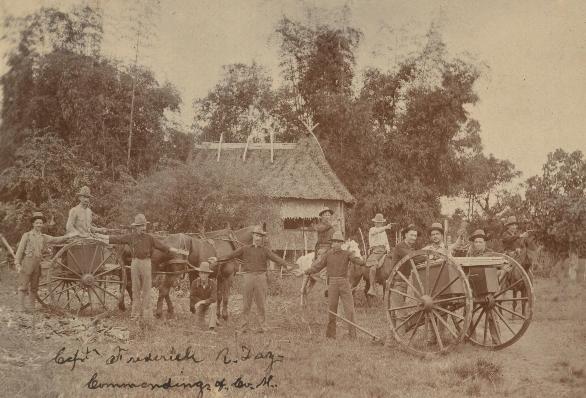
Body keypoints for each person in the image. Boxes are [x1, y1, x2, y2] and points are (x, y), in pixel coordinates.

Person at [108, 214, 182, 324]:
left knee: (147, 290)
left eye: (143, 226)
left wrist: (175, 250)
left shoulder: (149, 238)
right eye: (140, 226)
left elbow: (161, 246)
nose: (142, 228)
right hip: (135, 263)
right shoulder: (131, 237)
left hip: (147, 263)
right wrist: (102, 237)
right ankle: (135, 315)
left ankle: (147, 316)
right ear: (136, 227)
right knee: (135, 289)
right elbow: (117, 239)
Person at [218, 225, 291, 333]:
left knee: (261, 303)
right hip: (248, 277)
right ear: (253, 236)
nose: (258, 238)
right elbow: (230, 255)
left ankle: (263, 327)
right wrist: (216, 259)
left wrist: (286, 264)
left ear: (262, 238)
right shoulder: (244, 249)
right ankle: (243, 327)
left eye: (260, 236)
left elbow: (276, 258)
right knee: (246, 304)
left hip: (261, 277)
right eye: (256, 235)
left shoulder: (265, 250)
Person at [305, 231, 365, 339]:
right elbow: (318, 266)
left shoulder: (347, 253)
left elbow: (358, 260)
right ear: (332, 243)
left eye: (338, 242)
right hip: (332, 284)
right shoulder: (328, 254)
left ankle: (352, 335)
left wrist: (364, 261)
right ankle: (330, 335)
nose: (336, 244)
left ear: (342, 243)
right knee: (332, 309)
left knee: (350, 309)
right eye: (334, 242)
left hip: (344, 283)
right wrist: (308, 270)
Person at [14, 212, 72, 312]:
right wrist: (17, 264)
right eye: (37, 223)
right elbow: (20, 251)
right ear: (33, 224)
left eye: (40, 223)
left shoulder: (43, 237)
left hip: (37, 263)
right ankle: (20, 307)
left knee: (34, 286)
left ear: (43, 224)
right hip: (28, 262)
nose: (39, 225)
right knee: (23, 285)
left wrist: (68, 236)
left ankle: (31, 307)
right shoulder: (27, 236)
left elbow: (56, 240)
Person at [301, 207, 338, 295]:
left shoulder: (332, 226)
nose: (328, 216)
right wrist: (332, 225)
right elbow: (320, 229)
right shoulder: (320, 225)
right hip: (323, 247)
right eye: (325, 215)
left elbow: (336, 236)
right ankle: (321, 274)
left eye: (329, 215)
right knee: (323, 259)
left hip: (332, 246)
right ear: (321, 216)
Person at [366, 213, 393, 296]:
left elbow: (386, 242)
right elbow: (378, 231)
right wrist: (386, 227)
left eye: (380, 222)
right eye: (377, 222)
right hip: (375, 251)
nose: (379, 224)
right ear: (375, 223)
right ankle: (371, 287)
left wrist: (388, 249)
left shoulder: (383, 232)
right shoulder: (372, 230)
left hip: (383, 250)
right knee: (373, 266)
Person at [190, 261, 218, 334]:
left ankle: (211, 328)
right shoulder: (194, 283)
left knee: (213, 305)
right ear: (199, 273)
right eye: (202, 273)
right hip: (199, 306)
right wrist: (199, 303)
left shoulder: (213, 283)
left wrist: (203, 302)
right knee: (199, 326)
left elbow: (214, 298)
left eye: (205, 273)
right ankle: (201, 322)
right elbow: (192, 296)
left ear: (208, 274)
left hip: (208, 304)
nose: (203, 275)